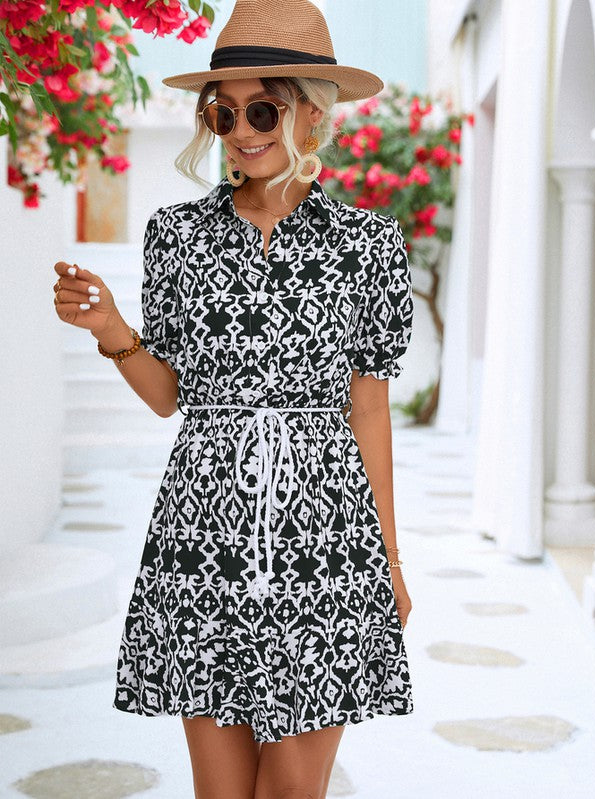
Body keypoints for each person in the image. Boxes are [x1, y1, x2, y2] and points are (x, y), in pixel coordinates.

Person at [52, 0, 414, 796]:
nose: (241, 130)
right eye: (222, 111)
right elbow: (168, 395)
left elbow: (369, 408)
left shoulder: (368, 246)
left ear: (310, 115)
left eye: (262, 109)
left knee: (289, 789)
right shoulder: (177, 235)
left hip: (327, 546)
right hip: (202, 538)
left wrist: (387, 561)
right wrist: (113, 328)